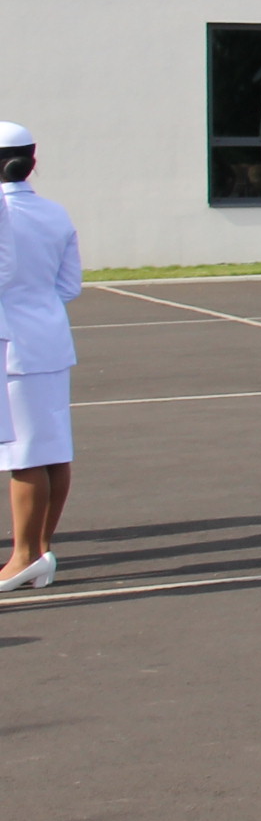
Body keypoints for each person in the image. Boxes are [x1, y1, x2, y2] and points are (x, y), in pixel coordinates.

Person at [0, 123, 78, 593]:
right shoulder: (54, 211)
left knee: (25, 454)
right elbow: (69, 286)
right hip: (49, 337)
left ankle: (23, 557)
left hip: (11, 345)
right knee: (52, 450)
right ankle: (41, 550)